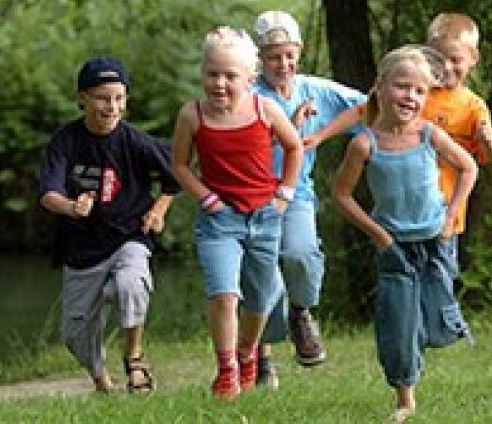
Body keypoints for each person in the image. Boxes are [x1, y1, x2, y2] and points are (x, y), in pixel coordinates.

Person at [332, 46, 478, 422]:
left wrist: (450, 219)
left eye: (419, 91)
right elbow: (341, 195)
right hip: (393, 245)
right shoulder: (365, 143)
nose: (410, 98)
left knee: (437, 322)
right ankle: (405, 395)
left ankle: (443, 324)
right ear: (380, 88)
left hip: (436, 240)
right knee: (399, 321)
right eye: (402, 87)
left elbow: (469, 168)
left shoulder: (429, 135)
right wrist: (377, 232)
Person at [306, 13, 492, 274]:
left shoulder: (473, 107)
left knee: (439, 283)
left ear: (473, 60)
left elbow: (489, 157)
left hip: (444, 216)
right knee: (400, 281)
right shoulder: (417, 90)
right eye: (439, 59)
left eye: (455, 60)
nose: (446, 67)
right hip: (401, 211)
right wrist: (320, 135)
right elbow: (362, 111)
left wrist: (488, 141)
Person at [171, 26, 303, 400]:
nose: (220, 83)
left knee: (262, 297)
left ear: (250, 77)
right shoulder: (192, 115)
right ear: (202, 74)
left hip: (264, 216)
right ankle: (227, 368)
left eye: (230, 76)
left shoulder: (265, 109)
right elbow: (179, 164)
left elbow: (294, 147)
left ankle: (248, 351)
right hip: (218, 221)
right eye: (212, 74)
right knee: (225, 294)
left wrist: (284, 194)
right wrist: (205, 197)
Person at [38, 56, 179, 393]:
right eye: (103, 98)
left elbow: (177, 178)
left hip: (129, 237)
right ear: (82, 98)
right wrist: (72, 207)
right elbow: (47, 194)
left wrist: (158, 210)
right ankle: (102, 381)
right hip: (82, 248)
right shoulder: (66, 140)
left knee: (132, 282)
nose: (112, 106)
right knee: (74, 334)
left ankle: (134, 357)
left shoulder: (137, 142)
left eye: (119, 98)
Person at [251, 10, 367, 387]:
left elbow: (368, 107)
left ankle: (300, 312)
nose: (282, 64)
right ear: (258, 58)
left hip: (296, 193)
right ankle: (263, 358)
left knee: (300, 254)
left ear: (298, 52)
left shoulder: (316, 89)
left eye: (288, 55)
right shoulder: (248, 95)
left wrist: (323, 134)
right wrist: (290, 129)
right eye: (272, 56)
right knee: (263, 274)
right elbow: (236, 144)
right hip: (253, 196)